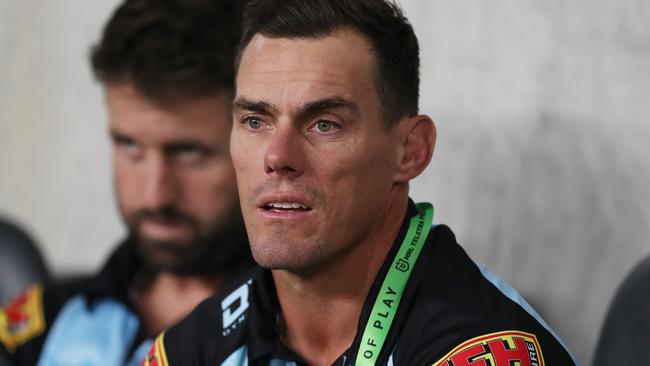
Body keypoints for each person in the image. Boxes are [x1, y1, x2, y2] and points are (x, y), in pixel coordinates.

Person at [143, 0, 577, 365]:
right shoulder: (187, 350)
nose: (277, 157)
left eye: (324, 125)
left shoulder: (485, 351)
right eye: (256, 120)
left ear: (410, 150)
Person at [0, 0, 251, 365]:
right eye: (129, 146)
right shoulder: (41, 325)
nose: (154, 195)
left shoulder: (312, 339)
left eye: (188, 152)